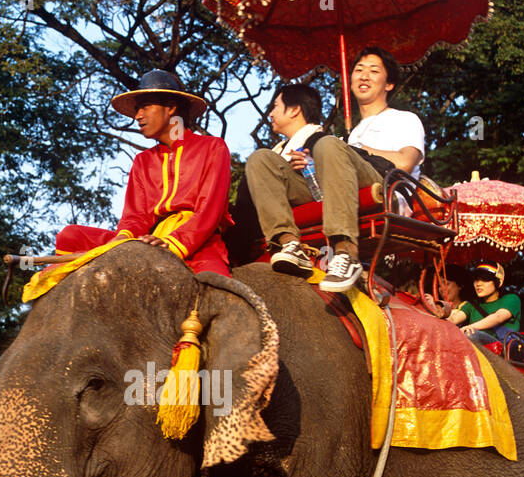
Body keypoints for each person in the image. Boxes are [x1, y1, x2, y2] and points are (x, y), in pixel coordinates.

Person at [244, 47, 425, 293]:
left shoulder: (404, 119)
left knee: (328, 144)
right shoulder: (352, 131)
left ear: (389, 84)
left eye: (373, 71)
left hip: (384, 186)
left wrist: (358, 151)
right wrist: (311, 165)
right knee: (261, 159)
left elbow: (405, 162)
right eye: (358, 70)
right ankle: (288, 244)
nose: (363, 76)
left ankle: (345, 253)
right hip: (342, 192)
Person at [55, 70, 231, 276]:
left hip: (197, 242)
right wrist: (122, 237)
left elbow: (209, 211)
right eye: (137, 109)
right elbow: (136, 216)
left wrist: (172, 243)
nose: (138, 116)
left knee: (220, 289)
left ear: (171, 107)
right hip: (148, 240)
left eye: (145, 107)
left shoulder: (212, 147)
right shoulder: (142, 161)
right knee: (70, 236)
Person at [225, 83, 326, 265]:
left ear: (294, 110)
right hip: (250, 221)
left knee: (260, 158)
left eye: (276, 107)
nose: (271, 114)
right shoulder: (280, 149)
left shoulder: (320, 141)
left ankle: (288, 242)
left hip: (307, 200)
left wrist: (311, 166)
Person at [447, 262, 524, 355]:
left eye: (485, 279)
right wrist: (434, 308)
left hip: (501, 346)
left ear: (499, 282)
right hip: (477, 343)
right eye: (476, 280)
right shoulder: (472, 305)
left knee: (471, 335)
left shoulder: (511, 299)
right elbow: (454, 320)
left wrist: (471, 327)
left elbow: (498, 317)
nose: (478, 284)